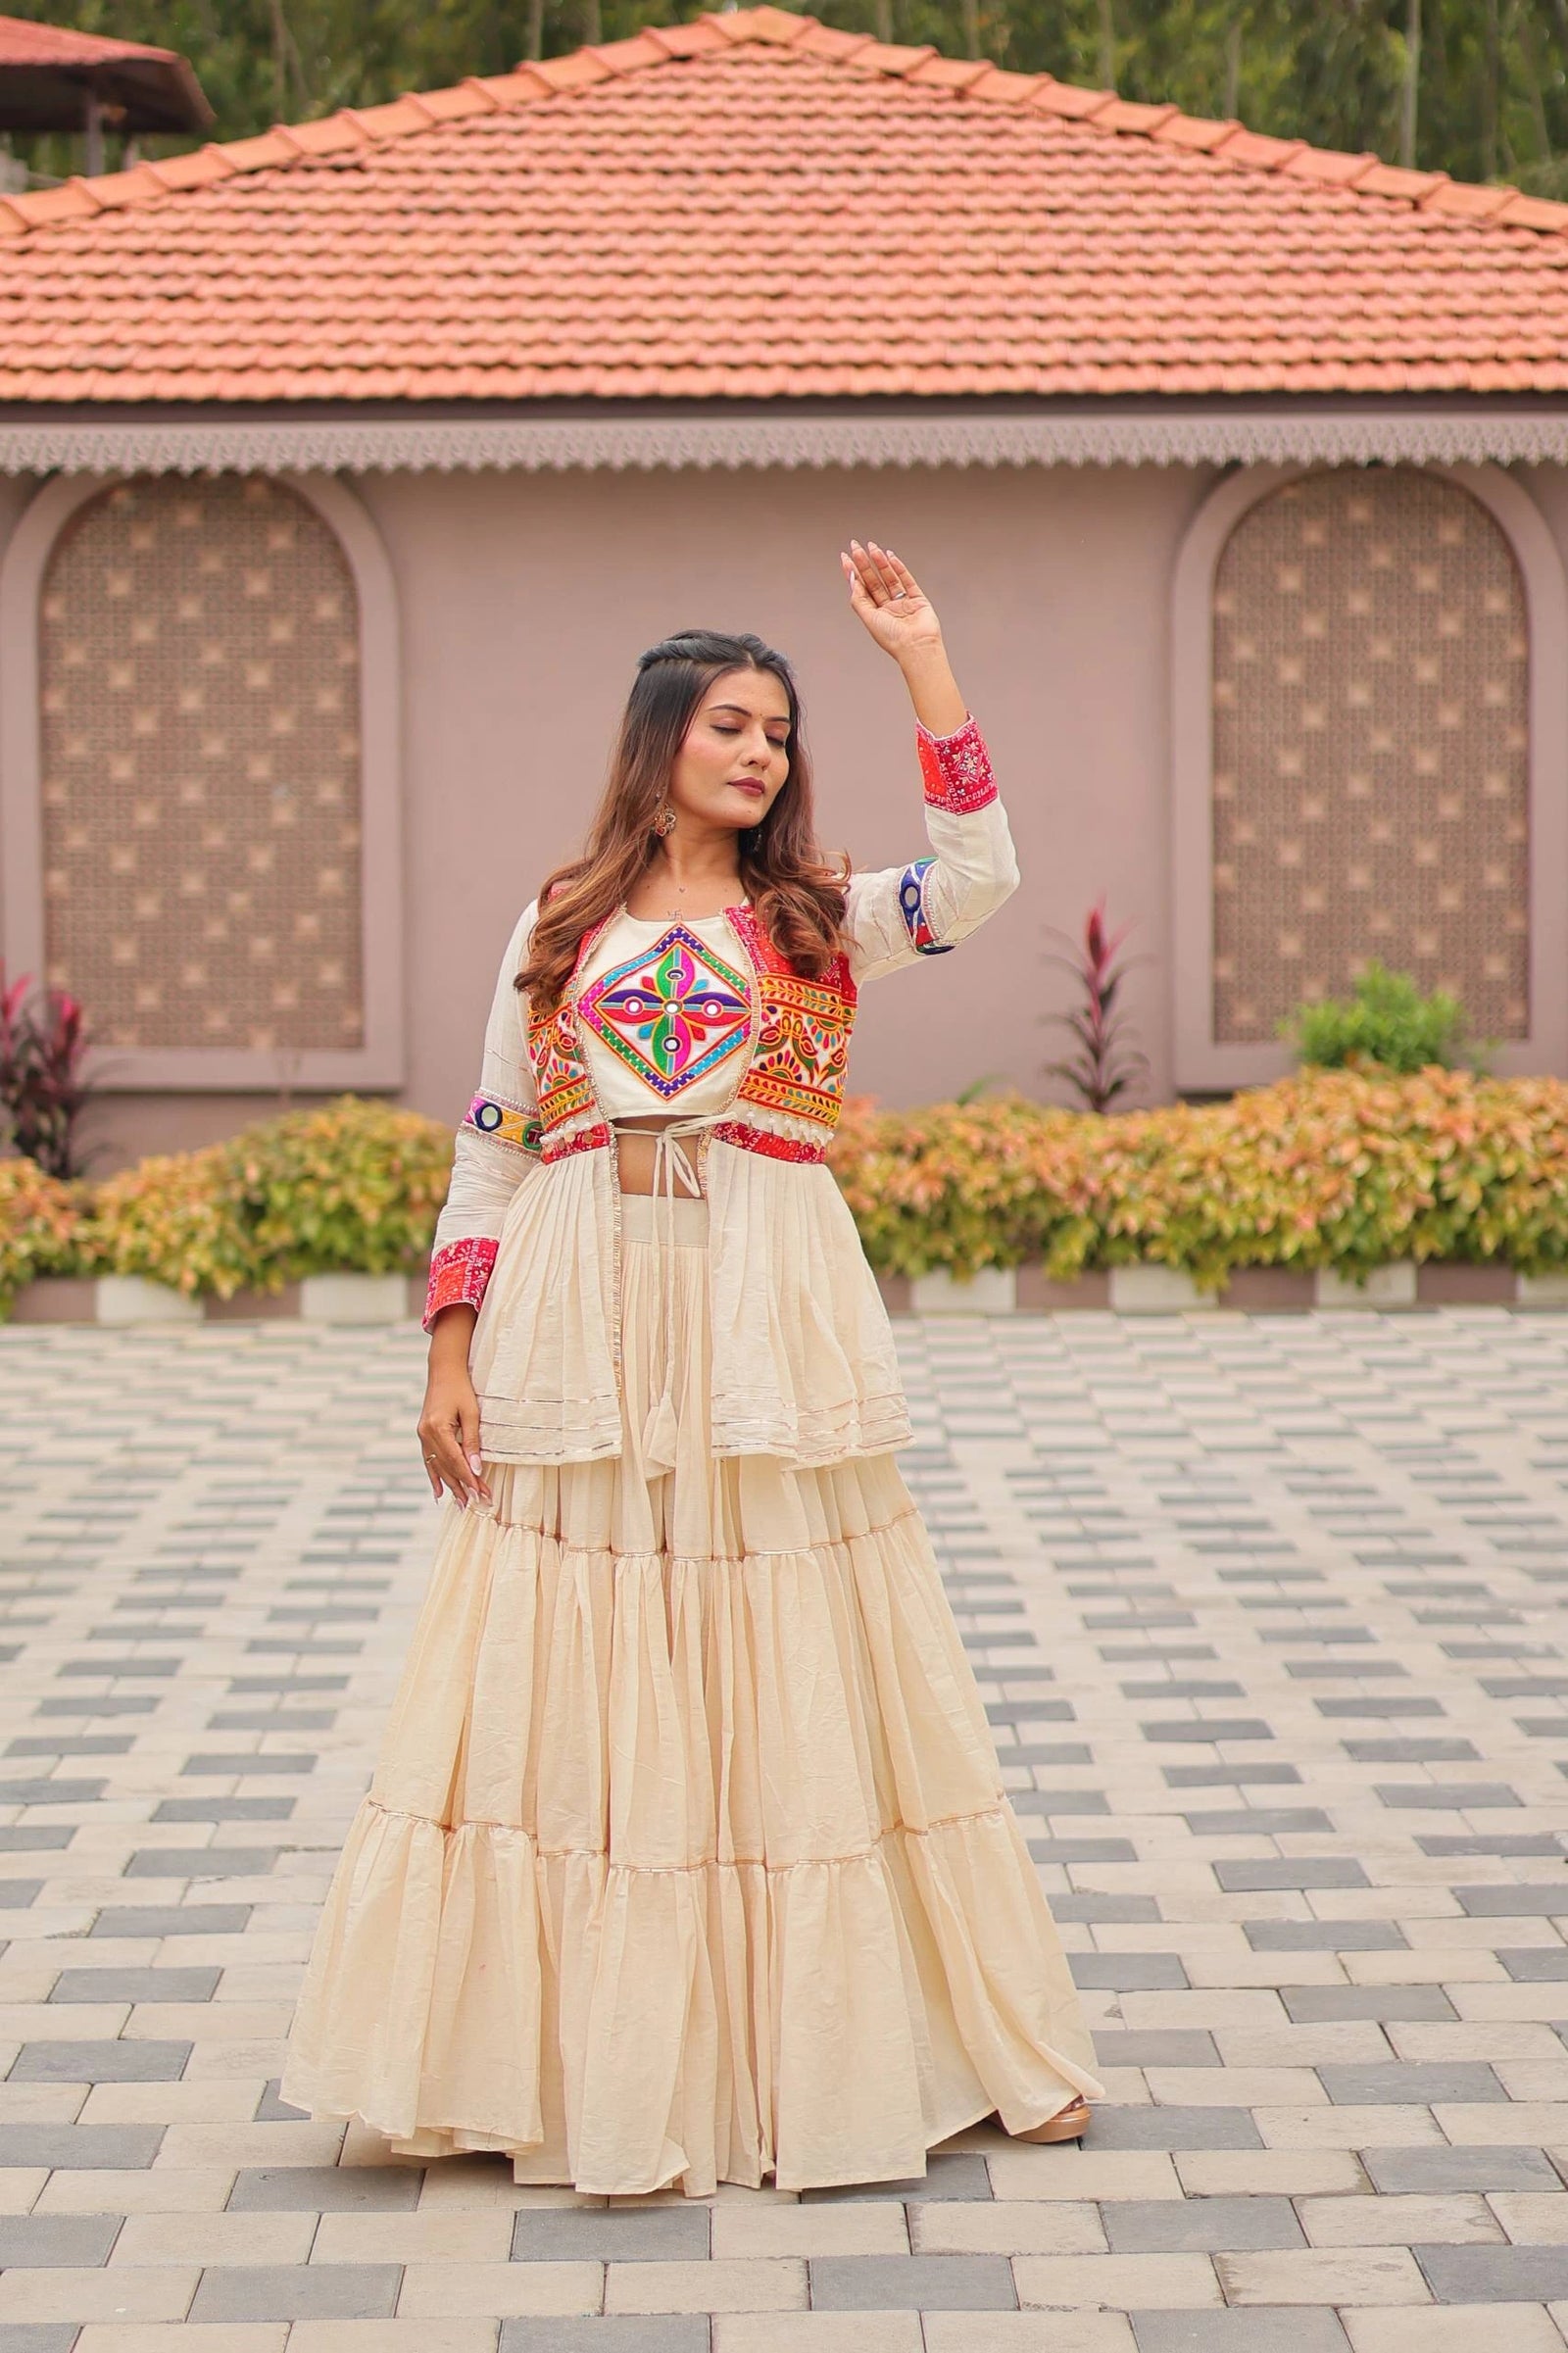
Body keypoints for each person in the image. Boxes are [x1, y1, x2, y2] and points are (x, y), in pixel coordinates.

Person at [281, 541, 1103, 2197]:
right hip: (582, 1315)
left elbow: (988, 870)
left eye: (782, 732)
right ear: (662, 734)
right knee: (591, 1668)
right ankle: (571, 2054)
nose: (761, 753)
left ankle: (899, 2039)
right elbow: (498, 1134)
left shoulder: (820, 915)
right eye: (731, 722)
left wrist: (923, 660)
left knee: (789, 1640)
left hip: (762, 1312)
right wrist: (450, 1343)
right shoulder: (559, 919)